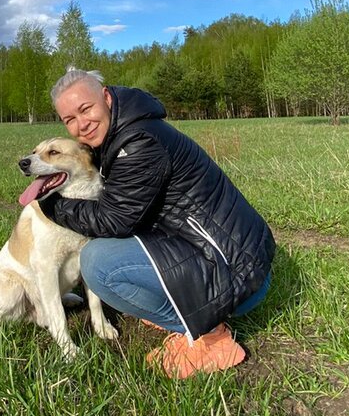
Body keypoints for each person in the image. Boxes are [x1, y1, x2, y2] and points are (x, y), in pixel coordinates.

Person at [38, 68, 274, 378]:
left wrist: (51, 205)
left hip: (237, 274)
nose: (81, 124)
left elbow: (115, 220)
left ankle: (208, 335)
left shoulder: (138, 142)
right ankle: (185, 309)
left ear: (106, 97)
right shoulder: (125, 131)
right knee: (113, 253)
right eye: (69, 120)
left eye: (86, 109)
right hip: (231, 257)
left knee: (97, 262)